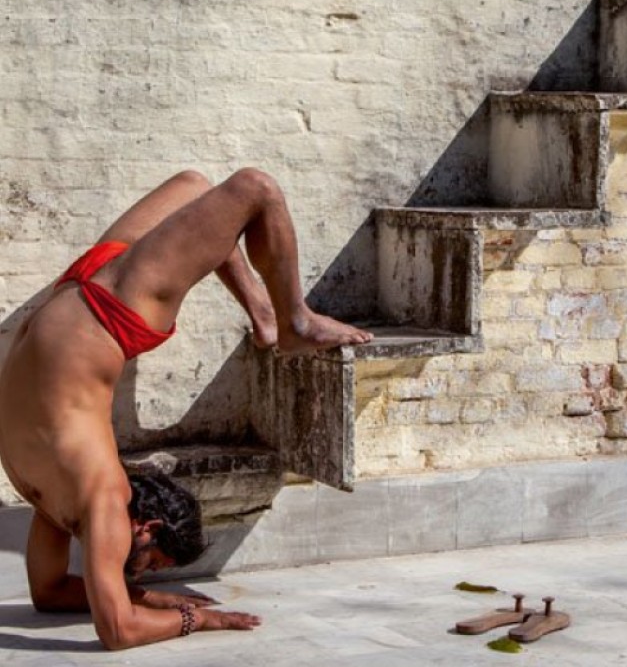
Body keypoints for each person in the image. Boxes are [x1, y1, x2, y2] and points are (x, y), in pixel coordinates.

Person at [0, 169, 374, 649]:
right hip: (111, 309)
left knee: (196, 189)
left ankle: (264, 316)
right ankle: (293, 319)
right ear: (146, 528)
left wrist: (144, 599)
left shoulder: (61, 506)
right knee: (254, 191)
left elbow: (48, 593)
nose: (144, 574)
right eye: (153, 564)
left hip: (85, 288)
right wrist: (201, 622)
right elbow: (116, 632)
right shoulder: (102, 501)